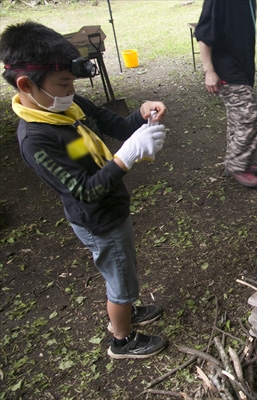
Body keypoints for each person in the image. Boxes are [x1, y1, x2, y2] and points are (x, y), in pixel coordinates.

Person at [0, 21, 168, 359]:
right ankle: (121, 339)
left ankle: (126, 310)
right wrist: (127, 157)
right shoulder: (36, 141)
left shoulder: (68, 109)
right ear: (26, 84)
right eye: (63, 83)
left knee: (124, 271)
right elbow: (85, 190)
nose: (70, 90)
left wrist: (142, 113)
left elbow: (114, 126)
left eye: (72, 82)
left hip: (112, 209)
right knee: (121, 281)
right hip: (97, 219)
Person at [194, 0, 257, 188]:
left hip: (241, 67)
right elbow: (203, 32)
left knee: (236, 117)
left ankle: (236, 162)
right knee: (251, 117)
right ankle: (237, 165)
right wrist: (208, 71)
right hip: (226, 69)